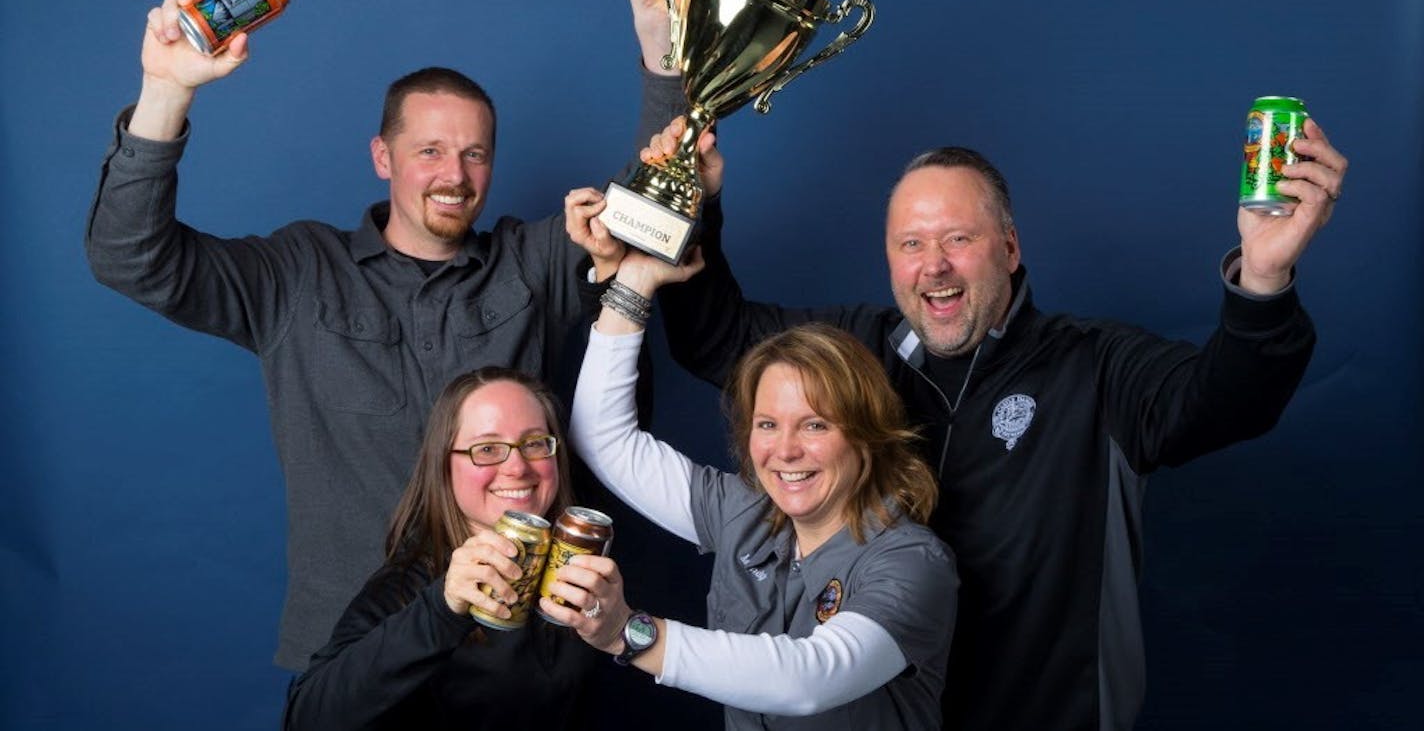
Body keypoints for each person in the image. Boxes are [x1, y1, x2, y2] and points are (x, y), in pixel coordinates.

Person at [586, 115, 1347, 729]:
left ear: (1010, 248)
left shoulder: (1095, 366)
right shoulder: (858, 352)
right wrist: (695, 203)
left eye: (959, 238)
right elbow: (716, 337)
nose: (934, 265)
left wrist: (1265, 278)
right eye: (912, 244)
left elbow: (1230, 399)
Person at [83, 0, 690, 670]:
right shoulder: (297, 274)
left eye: (474, 153)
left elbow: (654, 220)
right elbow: (127, 256)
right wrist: (165, 89)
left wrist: (660, 44)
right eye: (429, 150)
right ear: (383, 157)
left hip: (511, 654)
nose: (454, 175)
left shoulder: (529, 265)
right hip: (351, 652)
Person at [550, 230, 959, 728]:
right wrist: (633, 281)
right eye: (768, 425)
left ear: (866, 434)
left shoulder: (912, 563)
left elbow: (810, 679)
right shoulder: (745, 511)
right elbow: (601, 438)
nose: (785, 450)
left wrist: (629, 634)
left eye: (815, 425)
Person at [284, 366, 634, 729]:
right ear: (444, 466)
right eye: (487, 449)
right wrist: (441, 611)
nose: (517, 466)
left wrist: (621, 630)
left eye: (534, 443)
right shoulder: (406, 588)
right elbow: (303, 720)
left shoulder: (580, 560)